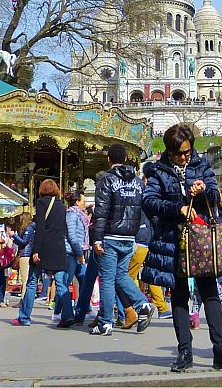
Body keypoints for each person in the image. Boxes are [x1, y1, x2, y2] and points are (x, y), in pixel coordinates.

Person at [142, 123, 222, 372]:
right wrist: (177, 208)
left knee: (210, 293)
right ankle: (184, 351)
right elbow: (149, 201)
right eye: (180, 153)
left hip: (200, 239)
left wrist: (204, 191)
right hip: (172, 240)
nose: (185, 156)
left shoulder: (202, 165)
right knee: (179, 296)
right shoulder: (158, 170)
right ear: (169, 151)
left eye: (188, 151)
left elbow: (214, 196)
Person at [91, 143, 154, 336]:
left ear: (109, 159)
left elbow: (101, 212)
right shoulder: (137, 182)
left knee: (108, 281)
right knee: (121, 276)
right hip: (129, 237)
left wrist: (97, 238)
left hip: (110, 235)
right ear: (126, 159)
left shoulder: (107, 180)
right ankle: (142, 303)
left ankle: (105, 323)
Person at [13, 179, 69, 327]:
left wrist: (36, 250)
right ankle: (68, 314)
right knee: (61, 283)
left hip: (45, 247)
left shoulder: (42, 203)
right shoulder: (62, 206)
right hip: (59, 247)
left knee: (32, 282)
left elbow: (41, 229)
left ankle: (24, 317)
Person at [51, 189, 88, 327]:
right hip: (71, 252)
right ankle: (63, 312)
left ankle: (70, 311)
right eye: (83, 200)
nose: (84, 203)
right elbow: (72, 236)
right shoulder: (72, 215)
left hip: (76, 252)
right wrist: (79, 253)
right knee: (64, 282)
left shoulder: (79, 215)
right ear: (77, 201)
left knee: (78, 280)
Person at [8, 212, 35, 307]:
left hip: (26, 254)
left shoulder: (29, 228)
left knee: (25, 279)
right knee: (24, 278)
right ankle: (23, 299)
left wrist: (14, 236)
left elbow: (24, 242)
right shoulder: (30, 227)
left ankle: (24, 300)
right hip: (24, 253)